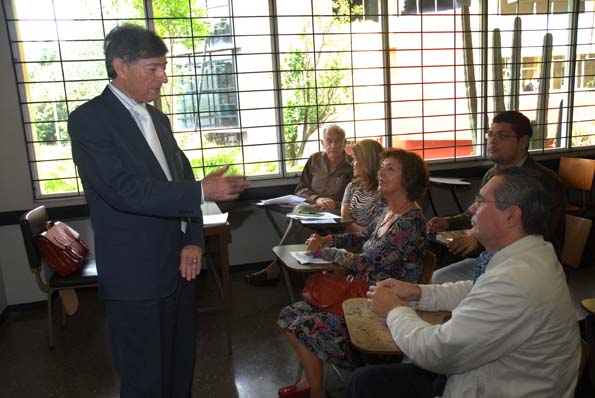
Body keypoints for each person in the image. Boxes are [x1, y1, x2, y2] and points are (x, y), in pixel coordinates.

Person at [67, 24, 249, 398]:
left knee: (181, 367)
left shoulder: (157, 118)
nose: (163, 77)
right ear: (120, 66)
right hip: (135, 277)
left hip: (180, 268)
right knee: (144, 379)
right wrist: (202, 190)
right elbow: (124, 191)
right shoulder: (90, 120)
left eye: (163, 67)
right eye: (153, 68)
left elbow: (181, 178)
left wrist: (194, 240)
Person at [351, 168, 580, 398]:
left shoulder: (516, 281)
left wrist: (394, 310)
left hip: (492, 386)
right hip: (485, 375)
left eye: (480, 202)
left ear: (511, 215)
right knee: (366, 380)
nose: (471, 208)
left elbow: (438, 352)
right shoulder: (531, 255)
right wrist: (417, 291)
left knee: (367, 384)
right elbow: (478, 290)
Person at [276, 149, 429, 398]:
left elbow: (366, 262)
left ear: (408, 179)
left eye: (390, 168)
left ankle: (315, 392)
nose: (380, 172)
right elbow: (360, 235)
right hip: (362, 297)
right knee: (288, 315)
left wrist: (326, 253)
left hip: (382, 311)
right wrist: (327, 240)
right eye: (381, 166)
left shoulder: (409, 221)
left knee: (304, 326)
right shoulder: (388, 211)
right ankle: (312, 385)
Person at [428, 110, 565, 284]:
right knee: (439, 277)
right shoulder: (492, 174)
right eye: (490, 135)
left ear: (523, 141)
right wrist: (449, 222)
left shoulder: (543, 181)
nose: (492, 141)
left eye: (502, 136)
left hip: (526, 267)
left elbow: (542, 235)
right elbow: (475, 213)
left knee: (447, 285)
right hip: (491, 259)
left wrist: (478, 241)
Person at [245, 124, 353, 286]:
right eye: (329, 141)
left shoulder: (351, 165)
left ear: (344, 143)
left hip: (337, 212)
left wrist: (333, 203)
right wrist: (317, 199)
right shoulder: (315, 159)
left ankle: (277, 267)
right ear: (322, 142)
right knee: (301, 213)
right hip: (313, 208)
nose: (333, 145)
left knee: (299, 217)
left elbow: (356, 195)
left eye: (338, 141)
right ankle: (289, 269)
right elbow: (301, 189)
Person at [341, 139, 386, 233]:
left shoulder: (385, 189)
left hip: (374, 242)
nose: (352, 163)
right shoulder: (352, 186)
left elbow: (380, 230)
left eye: (355, 159)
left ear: (367, 162)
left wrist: (364, 235)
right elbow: (345, 218)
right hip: (350, 240)